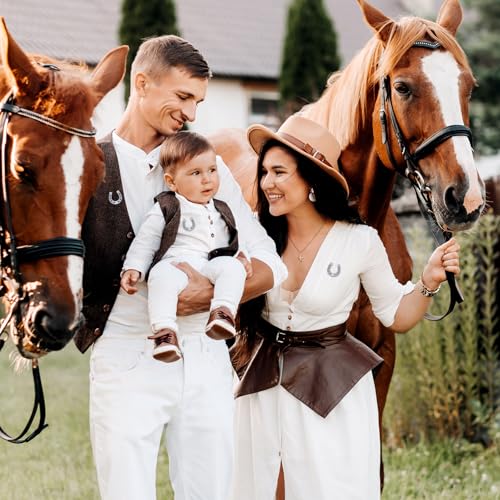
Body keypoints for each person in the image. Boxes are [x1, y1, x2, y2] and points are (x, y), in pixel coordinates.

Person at [74, 35, 287, 500]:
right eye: (183, 97)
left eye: (198, 102)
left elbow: (271, 263)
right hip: (126, 356)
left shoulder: (206, 167)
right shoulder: (88, 162)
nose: (191, 114)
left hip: (207, 355)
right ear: (142, 84)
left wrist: (211, 295)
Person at [230, 115, 461, 500]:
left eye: (279, 172)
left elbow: (396, 314)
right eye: (264, 172)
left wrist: (429, 280)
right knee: (264, 488)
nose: (267, 183)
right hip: (265, 385)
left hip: (331, 393)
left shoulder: (359, 241)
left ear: (312, 180)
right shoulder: (257, 236)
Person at [120, 131, 252, 362]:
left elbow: (234, 239)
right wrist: (134, 267)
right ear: (172, 181)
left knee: (232, 268)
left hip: (208, 265)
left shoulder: (221, 208)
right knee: (160, 277)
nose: (207, 179)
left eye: (212, 170)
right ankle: (165, 332)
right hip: (175, 264)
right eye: (196, 173)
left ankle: (222, 312)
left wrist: (243, 257)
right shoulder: (168, 206)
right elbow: (146, 240)